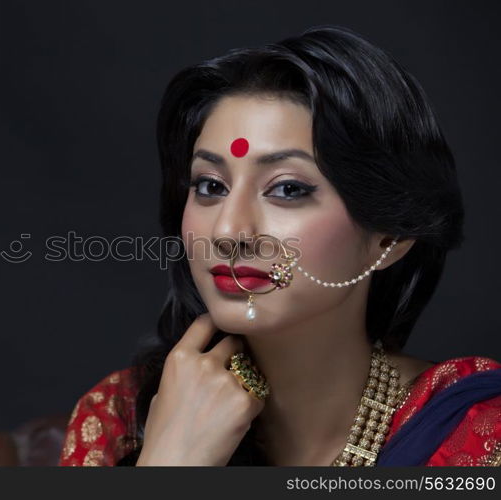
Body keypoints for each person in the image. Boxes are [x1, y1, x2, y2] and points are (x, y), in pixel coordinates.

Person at [58, 25, 501, 467]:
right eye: (210, 186)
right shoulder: (117, 421)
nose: (230, 232)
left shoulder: (476, 433)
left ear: (390, 237)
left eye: (287, 190)